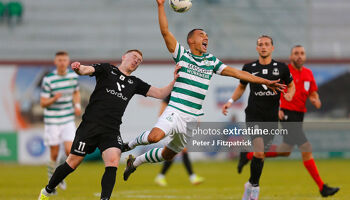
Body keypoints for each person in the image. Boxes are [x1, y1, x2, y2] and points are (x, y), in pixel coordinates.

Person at [122, 0, 286, 182]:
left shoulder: (211, 61)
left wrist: (264, 81)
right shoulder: (182, 55)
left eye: (206, 35)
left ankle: (135, 163)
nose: (206, 37)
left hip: (191, 118)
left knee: (168, 155)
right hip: (175, 110)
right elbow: (165, 32)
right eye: (201, 35)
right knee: (154, 137)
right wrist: (161, 5)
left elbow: (237, 73)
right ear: (191, 40)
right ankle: (127, 145)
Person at [38, 49, 181, 200]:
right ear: (124, 56)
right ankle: (47, 190)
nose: (136, 61)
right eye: (134, 57)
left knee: (113, 161)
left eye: (139, 61)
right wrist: (78, 68)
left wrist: (174, 81)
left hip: (111, 130)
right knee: (72, 163)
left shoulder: (134, 83)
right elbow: (87, 69)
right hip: (90, 126)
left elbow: (160, 93)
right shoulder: (107, 69)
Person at [226, 45, 340, 197]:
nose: (299, 56)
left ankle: (248, 154)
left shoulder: (308, 74)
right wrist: (278, 108)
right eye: (296, 53)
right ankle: (322, 187)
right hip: (286, 114)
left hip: (299, 115)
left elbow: (312, 92)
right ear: (291, 56)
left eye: (302, 53)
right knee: (306, 147)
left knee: (285, 151)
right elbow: (273, 91)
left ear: (305, 56)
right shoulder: (283, 70)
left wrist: (315, 99)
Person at [222, 35, 295, 200]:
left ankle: (250, 183)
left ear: (272, 48)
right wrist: (230, 101)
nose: (263, 47)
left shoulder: (282, 68)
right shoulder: (248, 67)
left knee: (260, 155)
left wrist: (289, 95)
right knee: (260, 152)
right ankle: (254, 189)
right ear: (257, 48)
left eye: (266, 44)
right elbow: (241, 87)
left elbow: (291, 86)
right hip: (254, 114)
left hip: (271, 116)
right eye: (260, 44)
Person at [40, 51, 81, 192]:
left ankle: (60, 172)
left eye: (64, 60)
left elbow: (76, 92)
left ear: (68, 61)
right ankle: (53, 177)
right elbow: (43, 103)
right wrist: (54, 98)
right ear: (55, 62)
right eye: (60, 60)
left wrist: (77, 105)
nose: (62, 62)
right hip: (52, 120)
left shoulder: (72, 76)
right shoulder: (49, 79)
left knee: (70, 150)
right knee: (54, 153)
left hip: (68, 118)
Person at [154, 95, 204, 186]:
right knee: (181, 150)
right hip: (171, 127)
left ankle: (161, 176)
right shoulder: (170, 95)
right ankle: (192, 177)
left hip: (181, 127)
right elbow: (161, 113)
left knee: (171, 154)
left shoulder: (187, 94)